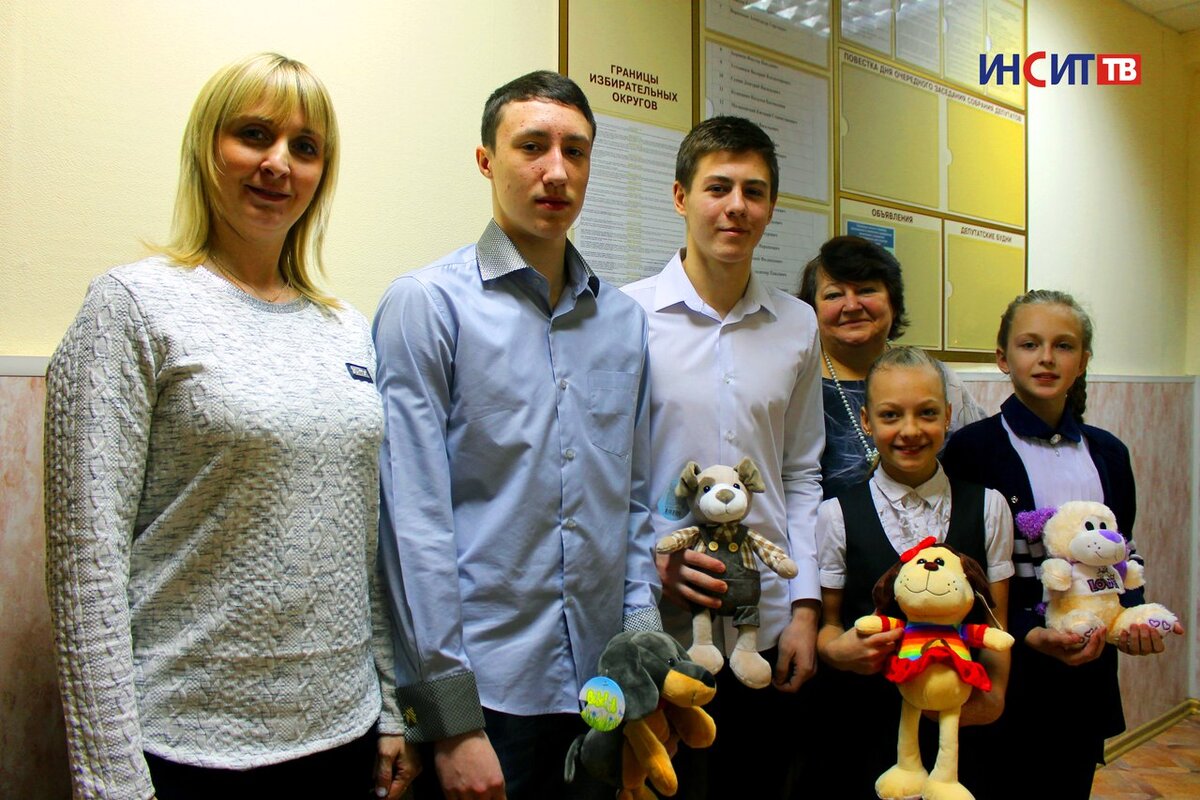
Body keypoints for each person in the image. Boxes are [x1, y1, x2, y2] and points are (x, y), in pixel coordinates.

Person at [44, 53, 417, 800]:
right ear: (205, 145)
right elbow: (86, 567)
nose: (278, 163)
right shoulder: (130, 307)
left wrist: (388, 706)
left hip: (341, 736)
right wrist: (111, 776)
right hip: (183, 746)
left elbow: (360, 540)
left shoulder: (344, 327)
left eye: (304, 147)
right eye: (253, 135)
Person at [372, 71, 659, 800]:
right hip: (486, 693)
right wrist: (451, 721)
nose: (556, 171)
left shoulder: (624, 322)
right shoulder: (427, 306)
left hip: (602, 686)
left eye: (575, 151)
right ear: (485, 160)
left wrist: (641, 639)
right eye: (532, 146)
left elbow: (631, 499)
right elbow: (412, 524)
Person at [622, 116, 823, 797]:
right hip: (660, 624)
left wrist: (804, 607)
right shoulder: (626, 317)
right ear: (681, 197)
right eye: (718, 188)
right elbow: (608, 475)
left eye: (754, 191)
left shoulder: (798, 324)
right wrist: (652, 559)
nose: (736, 206)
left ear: (770, 205)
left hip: (766, 626)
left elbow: (801, 472)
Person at [941, 289, 1183, 798]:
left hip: (1085, 679)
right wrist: (1027, 630)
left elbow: (1120, 554)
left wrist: (1131, 619)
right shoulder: (971, 450)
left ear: (1083, 361)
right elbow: (964, 569)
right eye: (1030, 344)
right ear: (1003, 357)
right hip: (1007, 669)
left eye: (1064, 346)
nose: (1047, 358)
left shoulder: (1109, 453)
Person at [815, 346, 1014, 799]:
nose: (910, 430)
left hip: (962, 726)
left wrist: (996, 695)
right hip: (868, 726)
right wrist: (837, 651)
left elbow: (997, 623)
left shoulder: (988, 506)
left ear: (947, 416)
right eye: (890, 415)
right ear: (867, 421)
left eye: (926, 413)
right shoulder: (836, 515)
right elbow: (828, 626)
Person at [798, 236, 987, 499]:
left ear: (894, 303)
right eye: (834, 295)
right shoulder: (797, 384)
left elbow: (978, 459)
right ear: (811, 310)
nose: (851, 306)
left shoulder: (936, 377)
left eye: (866, 291)